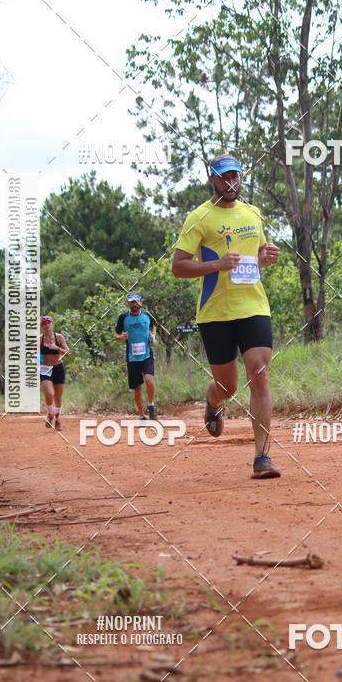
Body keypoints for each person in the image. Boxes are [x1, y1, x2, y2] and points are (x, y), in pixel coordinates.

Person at [172, 153, 281, 479]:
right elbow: (178, 266)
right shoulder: (199, 218)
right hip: (215, 312)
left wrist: (267, 256)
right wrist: (216, 265)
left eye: (235, 176)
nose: (230, 183)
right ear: (212, 179)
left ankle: (262, 457)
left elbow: (257, 257)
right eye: (224, 177)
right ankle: (213, 398)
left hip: (253, 306)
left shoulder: (253, 213)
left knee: (259, 375)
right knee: (228, 385)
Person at [115, 292, 157, 420]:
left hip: (147, 355)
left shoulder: (147, 315)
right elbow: (115, 336)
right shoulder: (123, 318)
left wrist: (153, 338)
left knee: (149, 380)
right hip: (132, 358)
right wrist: (121, 337)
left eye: (136, 301)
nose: (134, 304)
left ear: (141, 302)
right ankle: (141, 415)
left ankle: (151, 405)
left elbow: (153, 326)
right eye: (131, 302)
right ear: (128, 303)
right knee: (137, 388)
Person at [39, 316, 70, 430]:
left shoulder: (59, 337)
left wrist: (56, 348)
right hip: (45, 369)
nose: (47, 325)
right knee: (49, 394)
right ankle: (50, 413)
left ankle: (57, 420)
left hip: (58, 368)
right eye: (44, 323)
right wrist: (37, 358)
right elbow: (35, 355)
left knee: (58, 397)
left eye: (48, 323)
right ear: (42, 326)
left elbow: (67, 353)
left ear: (52, 324)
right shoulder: (39, 339)